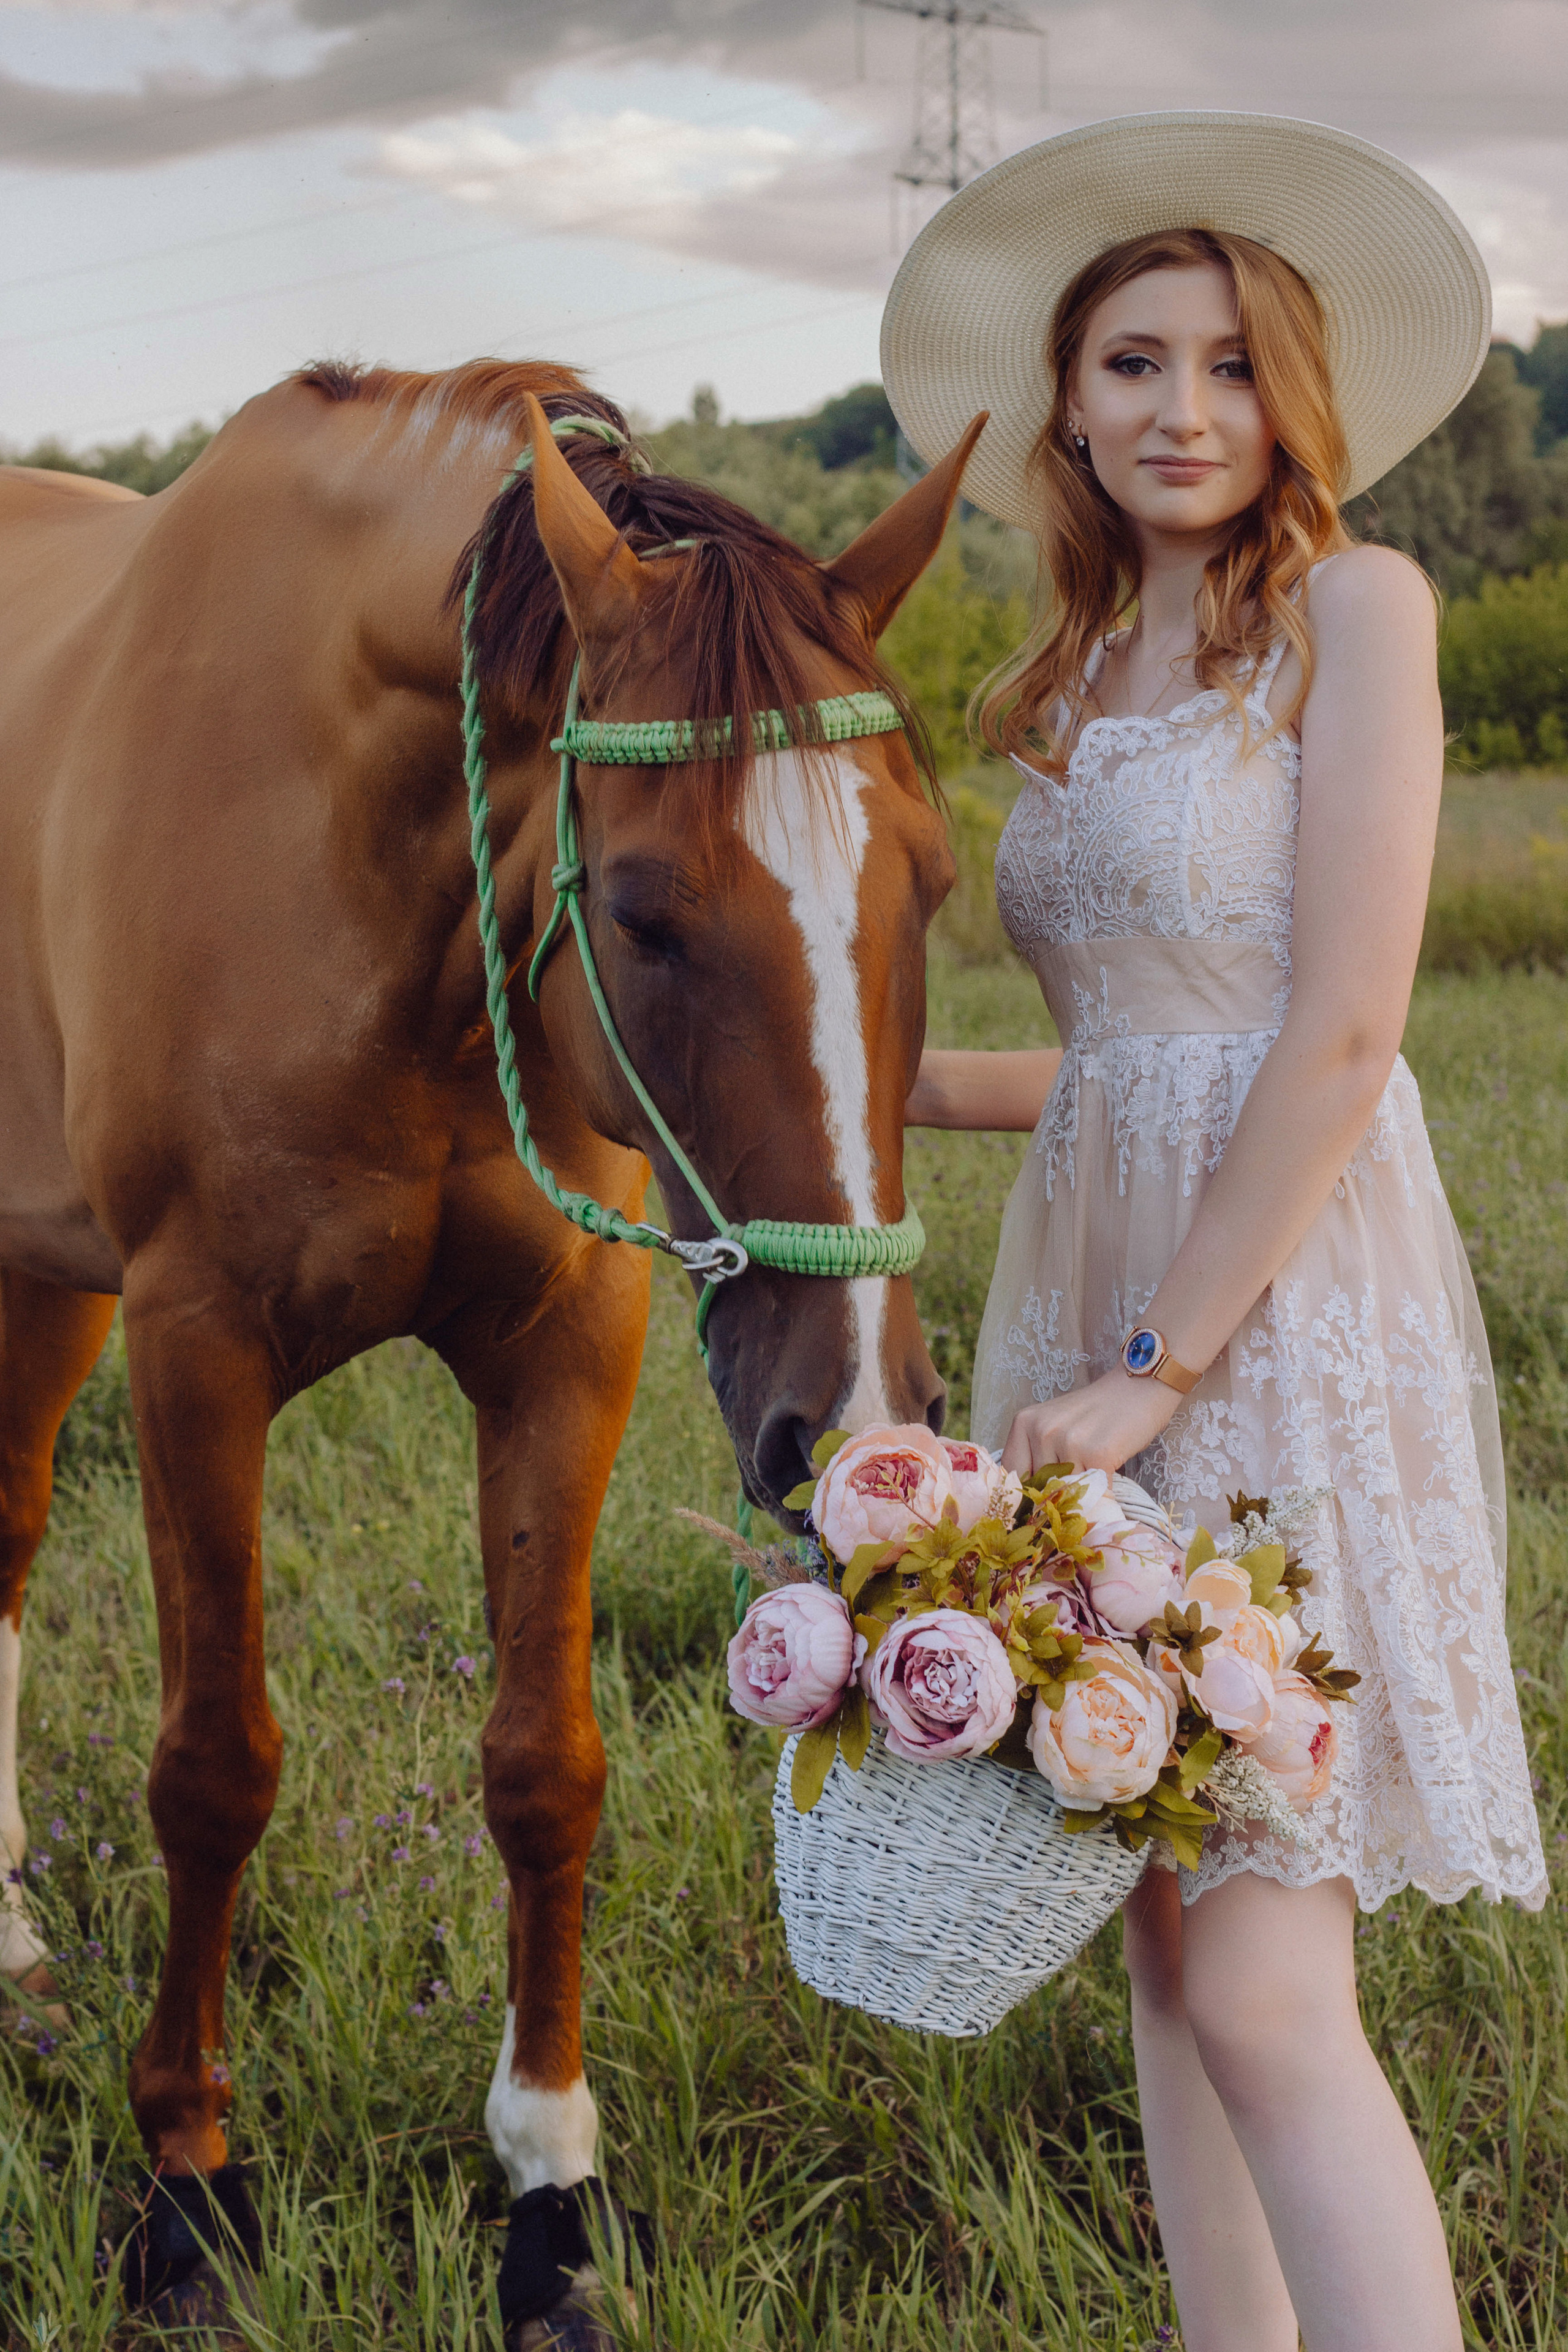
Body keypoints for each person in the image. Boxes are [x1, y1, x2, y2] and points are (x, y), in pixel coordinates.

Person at [884, 113, 1547, 2352]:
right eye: (1138, 361)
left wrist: (1159, 1363)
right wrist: (814, 1093)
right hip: (1091, 1300)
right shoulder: (1062, 677)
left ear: (1298, 400)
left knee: (1265, 1968)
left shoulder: (1355, 609)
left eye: (1235, 366)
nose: (1187, 409)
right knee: (1159, 1933)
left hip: (1262, 1312)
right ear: (1067, 398)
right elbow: (1109, 1064)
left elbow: (1342, 1028)